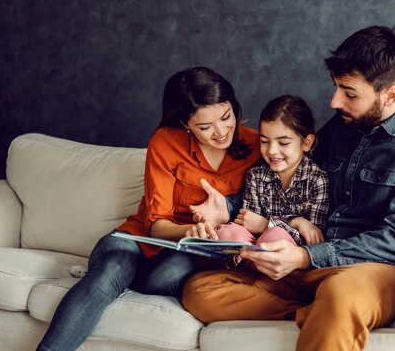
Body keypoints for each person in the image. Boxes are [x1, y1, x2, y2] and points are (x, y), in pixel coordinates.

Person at [181, 26, 395, 351]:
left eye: (349, 92)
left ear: (391, 94)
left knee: (341, 293)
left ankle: (333, 308)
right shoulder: (344, 126)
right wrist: (229, 209)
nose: (334, 101)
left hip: (385, 271)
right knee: (200, 291)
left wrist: (303, 256)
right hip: (317, 265)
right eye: (336, 88)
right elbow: (288, 176)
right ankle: (322, 313)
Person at [36, 66, 261, 351]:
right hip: (141, 239)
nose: (220, 132)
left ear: (233, 106)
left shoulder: (257, 144)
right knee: (113, 266)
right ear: (185, 124)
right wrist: (190, 231)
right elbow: (157, 225)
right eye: (205, 127)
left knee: (167, 275)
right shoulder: (166, 142)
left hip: (192, 255)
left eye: (226, 117)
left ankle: (126, 279)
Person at [216, 95, 329, 252]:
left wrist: (266, 224)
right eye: (264, 141)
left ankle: (257, 263)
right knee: (227, 231)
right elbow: (249, 223)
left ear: (307, 143)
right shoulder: (256, 176)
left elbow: (311, 237)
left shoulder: (317, 180)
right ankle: (247, 264)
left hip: (289, 254)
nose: (271, 151)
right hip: (255, 246)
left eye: (283, 143)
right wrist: (295, 222)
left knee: (275, 235)